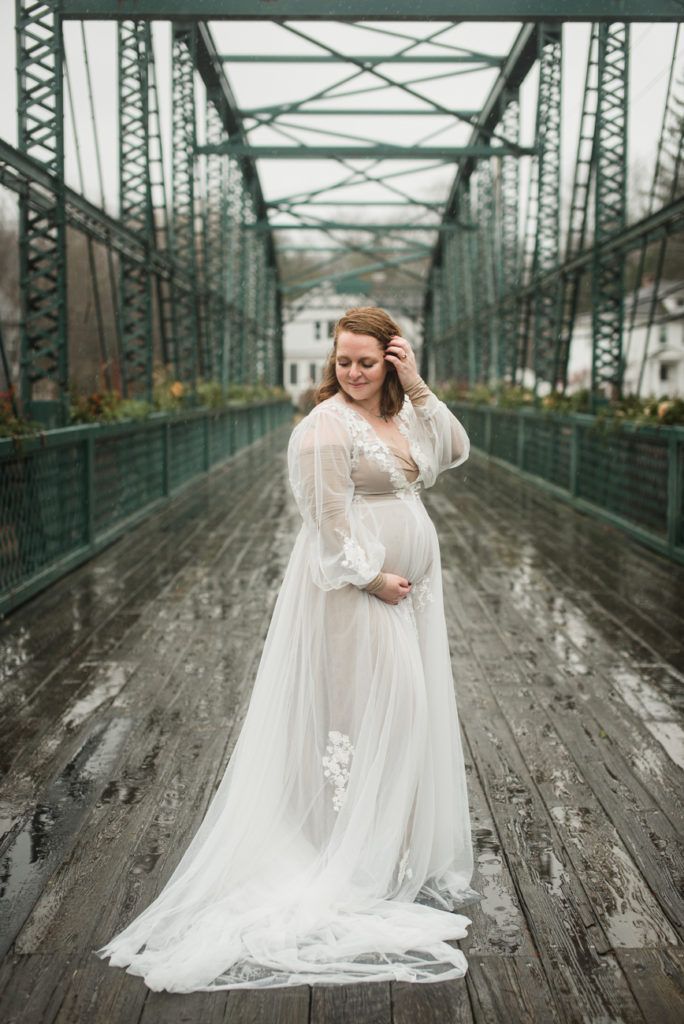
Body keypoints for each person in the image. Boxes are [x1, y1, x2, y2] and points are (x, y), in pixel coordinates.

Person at [95, 306, 481, 992]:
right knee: (387, 710)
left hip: (411, 593)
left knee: (393, 717)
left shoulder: (403, 413)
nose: (355, 372)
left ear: (389, 358)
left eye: (368, 361)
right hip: (359, 591)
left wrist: (417, 383)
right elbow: (327, 523)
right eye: (344, 361)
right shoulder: (323, 428)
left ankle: (383, 849)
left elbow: (452, 450)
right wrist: (371, 577)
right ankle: (349, 854)